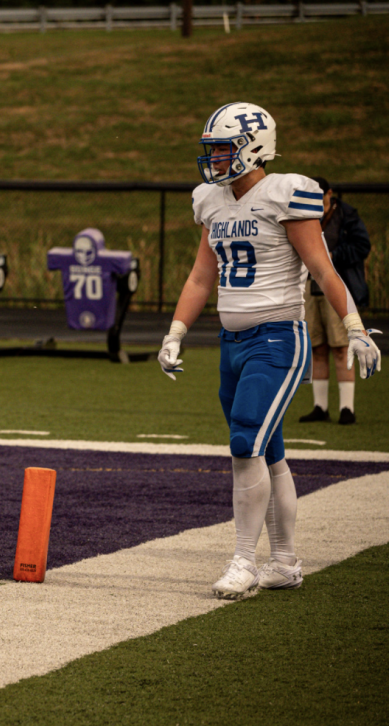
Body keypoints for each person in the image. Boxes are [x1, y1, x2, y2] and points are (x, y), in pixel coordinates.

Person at [157, 103, 381, 600]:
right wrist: (175, 330)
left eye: (222, 148)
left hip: (278, 336)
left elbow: (323, 269)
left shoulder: (287, 192)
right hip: (231, 342)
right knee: (268, 451)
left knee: (243, 441)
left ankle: (244, 560)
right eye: (210, 149)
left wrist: (355, 327)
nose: (213, 158)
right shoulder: (211, 201)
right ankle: (283, 562)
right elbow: (201, 275)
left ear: (254, 146)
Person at [297, 176, 372, 425]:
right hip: (309, 287)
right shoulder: (304, 213)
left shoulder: (347, 215)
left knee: (341, 347)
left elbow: (362, 245)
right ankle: (320, 406)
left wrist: (332, 256)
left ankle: (347, 408)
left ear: (329, 193)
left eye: (319, 195)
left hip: (336, 285)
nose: (316, 201)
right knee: (317, 347)